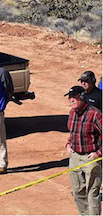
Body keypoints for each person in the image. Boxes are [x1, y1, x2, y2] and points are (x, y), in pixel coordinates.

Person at [64, 85, 102, 216]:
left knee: (92, 193)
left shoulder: (95, 113)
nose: (71, 100)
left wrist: (99, 153)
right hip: (75, 157)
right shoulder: (72, 113)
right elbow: (72, 133)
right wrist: (68, 144)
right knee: (78, 192)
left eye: (74, 97)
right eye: (70, 98)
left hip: (91, 158)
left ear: (82, 97)